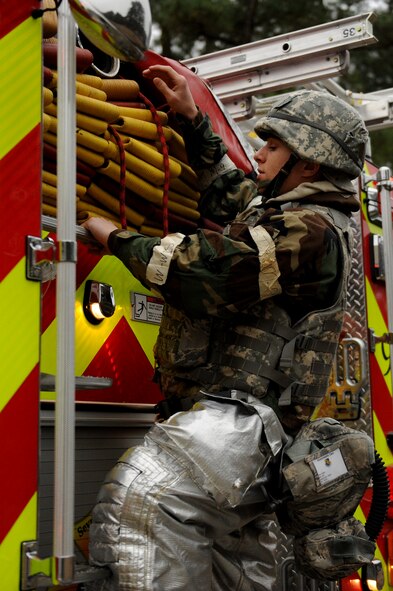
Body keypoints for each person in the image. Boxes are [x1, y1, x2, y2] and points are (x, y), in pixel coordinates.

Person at [83, 65, 369, 590]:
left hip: (238, 425)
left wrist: (116, 239)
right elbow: (232, 194)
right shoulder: (293, 215)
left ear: (305, 165)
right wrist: (192, 121)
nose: (259, 154)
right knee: (236, 570)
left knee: (146, 504)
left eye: (274, 147)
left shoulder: (310, 231)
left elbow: (206, 274)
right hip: (244, 439)